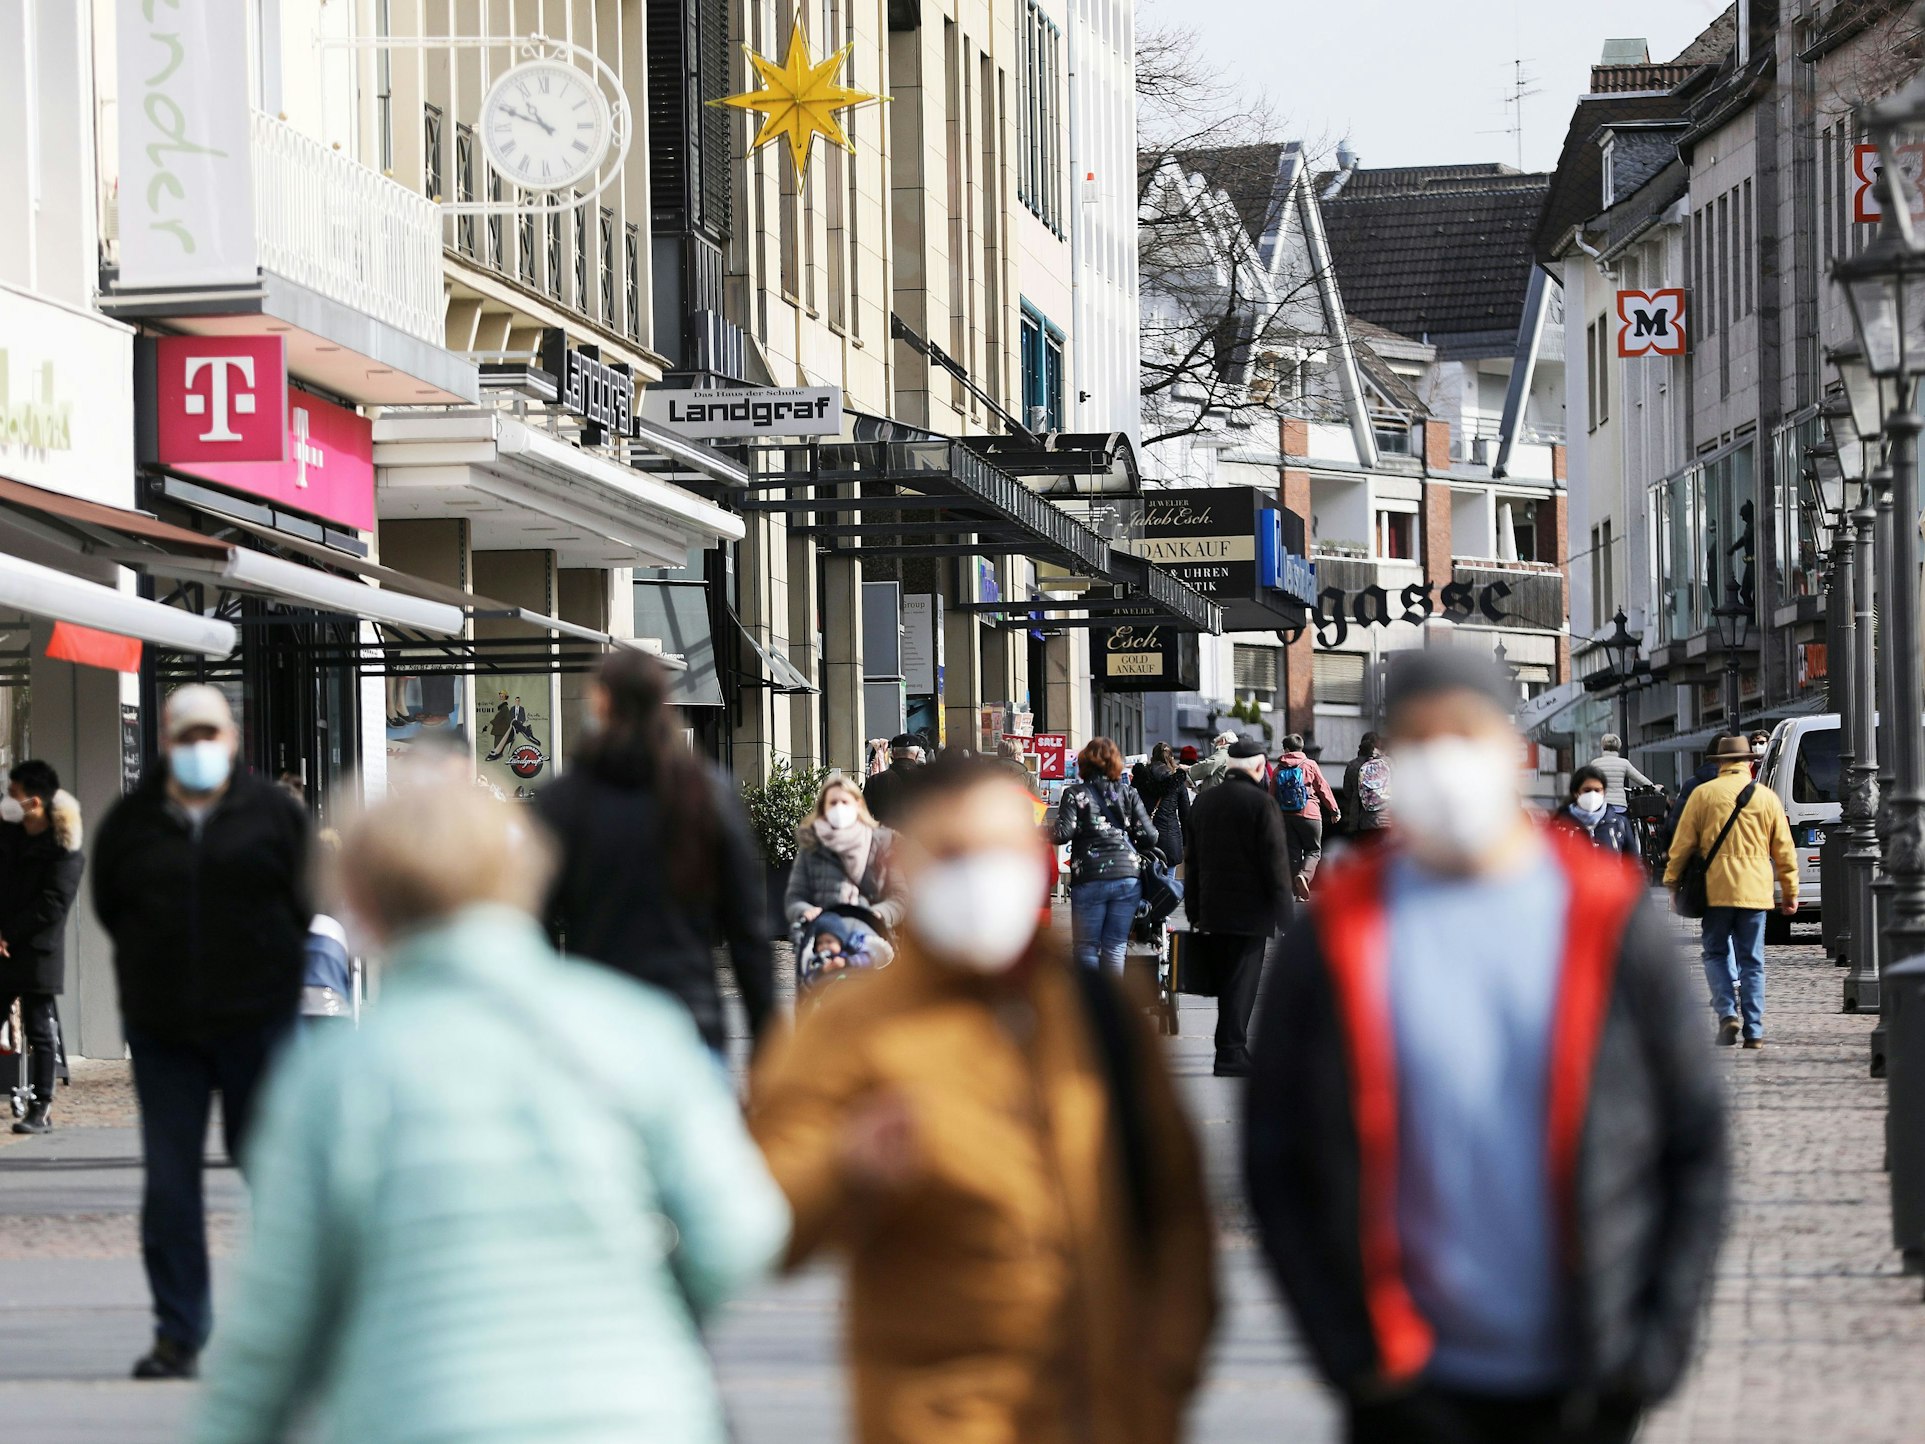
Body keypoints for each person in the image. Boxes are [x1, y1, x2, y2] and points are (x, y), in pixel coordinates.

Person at [190, 783, 789, 1444]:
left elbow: (273, 1333)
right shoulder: (634, 1030)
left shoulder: (334, 1077)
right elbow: (738, 1234)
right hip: (637, 1414)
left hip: (414, 1416)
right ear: (524, 876)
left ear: (358, 900)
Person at [1246, 649, 1726, 1444]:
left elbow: (1692, 1139)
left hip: (1585, 1378)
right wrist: (1350, 1356)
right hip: (1403, 1384)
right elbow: (1277, 1157)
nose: (1443, 762)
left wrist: (1652, 1349)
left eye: (1462, 735)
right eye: (1416, 742)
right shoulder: (1337, 935)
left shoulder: (1606, 917)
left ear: (1510, 749)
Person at [749, 754, 1216, 1444]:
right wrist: (844, 1166)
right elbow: (760, 1214)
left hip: (1111, 1413)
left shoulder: (1099, 1011)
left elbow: (1175, 1210)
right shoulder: (855, 1025)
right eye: (957, 854)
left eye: (1001, 852)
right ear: (909, 868)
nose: (982, 877)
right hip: (944, 1420)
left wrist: (1165, 1369)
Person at [91, 685, 313, 1381]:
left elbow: (306, 903)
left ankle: (286, 1329)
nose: (196, 749)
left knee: (273, 1172)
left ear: (232, 739)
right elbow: (109, 904)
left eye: (208, 734)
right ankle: (178, 1333)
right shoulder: (131, 821)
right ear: (163, 738)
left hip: (259, 1021)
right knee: (170, 1183)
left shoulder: (273, 814)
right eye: (184, 736)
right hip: (164, 1027)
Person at [535, 650, 774, 1057]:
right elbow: (747, 928)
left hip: (595, 1028)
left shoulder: (563, 802)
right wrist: (768, 1045)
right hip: (689, 1023)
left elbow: (532, 922)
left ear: (601, 702)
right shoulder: (707, 794)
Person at [1663, 732, 1798, 1049]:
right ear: (1749, 762)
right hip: (1755, 891)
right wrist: (1790, 890)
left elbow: (1682, 846)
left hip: (1716, 890)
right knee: (1753, 961)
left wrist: (1671, 883)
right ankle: (1754, 1031)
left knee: (1715, 952)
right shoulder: (1766, 798)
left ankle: (1726, 1012)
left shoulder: (1703, 794)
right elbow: (1784, 849)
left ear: (1720, 762)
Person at [1184, 737, 1294, 1078]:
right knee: (1242, 981)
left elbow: (1193, 861)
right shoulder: (1262, 805)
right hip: (1251, 911)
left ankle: (1231, 1049)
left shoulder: (1203, 802)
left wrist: (1193, 909)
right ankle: (1231, 1051)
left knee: (1229, 981)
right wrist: (1285, 914)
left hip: (1213, 908)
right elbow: (1276, 864)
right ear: (1260, 768)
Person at [0, 761, 84, 1135]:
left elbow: (53, 904)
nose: (7, 799)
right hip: (3, 943)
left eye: (13, 793)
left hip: (37, 948)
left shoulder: (65, 847)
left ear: (33, 801)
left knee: (39, 1027)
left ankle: (41, 1107)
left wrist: (9, 936)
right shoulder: (8, 834)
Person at [1053, 736, 1159, 973]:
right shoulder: (1128, 793)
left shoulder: (1075, 793)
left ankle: (1091, 1006)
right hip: (1126, 878)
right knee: (1115, 946)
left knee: (1086, 946)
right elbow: (1150, 837)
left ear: (1083, 764)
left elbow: (1062, 833)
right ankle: (1111, 1007)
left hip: (1089, 877)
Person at [785, 774, 905, 969]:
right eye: (833, 802)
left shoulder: (881, 843)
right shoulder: (811, 846)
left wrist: (879, 914)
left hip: (869, 941)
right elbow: (794, 898)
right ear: (823, 807)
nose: (839, 808)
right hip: (824, 943)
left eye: (844, 801)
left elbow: (900, 897)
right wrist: (805, 911)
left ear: (858, 804)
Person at [1273, 733, 1340, 897]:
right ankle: (1304, 875)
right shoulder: (1310, 764)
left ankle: (1297, 893)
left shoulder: (1278, 768)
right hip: (1310, 813)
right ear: (1301, 748)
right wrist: (1334, 810)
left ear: (1286, 749)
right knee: (1314, 850)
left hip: (1286, 816)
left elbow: (1271, 795)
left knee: (1293, 852)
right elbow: (1323, 788)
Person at [1552, 765, 1640, 858]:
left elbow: (1633, 863)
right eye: (1587, 790)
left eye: (1597, 790)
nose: (1592, 794)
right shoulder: (1560, 825)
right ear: (1576, 793)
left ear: (1604, 792)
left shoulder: (1618, 824)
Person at [1134, 741, 1192, 868]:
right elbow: (1186, 815)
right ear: (1171, 758)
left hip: (1145, 839)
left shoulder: (1140, 779)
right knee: (1168, 884)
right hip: (1170, 840)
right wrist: (1187, 842)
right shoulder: (1177, 781)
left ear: (1152, 757)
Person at [862, 732, 928, 826]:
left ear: (892, 754)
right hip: (920, 838)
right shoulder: (928, 780)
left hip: (885, 837)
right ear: (917, 754)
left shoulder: (875, 781)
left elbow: (864, 815)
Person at [1342, 732, 1391, 841]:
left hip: (1360, 819)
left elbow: (1347, 792)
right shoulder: (1388, 763)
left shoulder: (1353, 765)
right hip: (1386, 817)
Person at [1586, 733, 1653, 813]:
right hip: (1619, 805)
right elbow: (1639, 778)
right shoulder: (1624, 763)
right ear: (1618, 747)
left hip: (1601, 804)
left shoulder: (1595, 763)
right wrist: (1655, 788)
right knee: (1623, 824)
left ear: (1603, 746)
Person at [1187, 730, 1238, 794]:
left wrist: (1189, 770)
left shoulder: (1224, 752)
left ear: (1223, 741)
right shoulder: (1235, 755)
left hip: (1215, 796)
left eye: (1217, 743)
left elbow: (1208, 766)